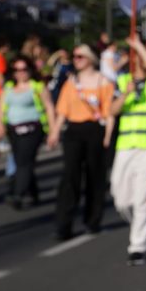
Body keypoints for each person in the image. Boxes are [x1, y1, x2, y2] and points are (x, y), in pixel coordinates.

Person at [109, 37, 146, 266]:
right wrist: (126, 94)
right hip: (126, 147)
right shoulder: (123, 80)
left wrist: (139, 46)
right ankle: (138, 224)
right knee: (121, 199)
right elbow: (112, 110)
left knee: (143, 198)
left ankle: (138, 246)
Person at [47, 44, 115, 240]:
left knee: (95, 177)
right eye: (74, 57)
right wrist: (54, 132)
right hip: (74, 132)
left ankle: (93, 220)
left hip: (95, 130)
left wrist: (107, 137)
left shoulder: (104, 82)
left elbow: (109, 113)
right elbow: (62, 111)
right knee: (70, 178)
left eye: (80, 57)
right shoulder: (71, 82)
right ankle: (63, 225)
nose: (76, 60)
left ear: (91, 59)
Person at [0, 56, 55, 210]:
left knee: (24, 162)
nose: (20, 73)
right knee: (22, 160)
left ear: (30, 70)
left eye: (24, 69)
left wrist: (53, 131)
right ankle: (33, 192)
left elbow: (49, 108)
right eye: (17, 70)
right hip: (13, 130)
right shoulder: (8, 88)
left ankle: (18, 193)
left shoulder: (37, 86)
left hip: (33, 128)